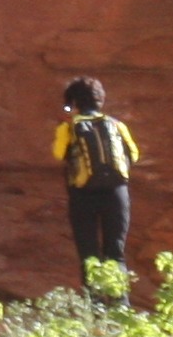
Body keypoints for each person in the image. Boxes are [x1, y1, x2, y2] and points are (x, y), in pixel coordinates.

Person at [50, 77, 140, 296]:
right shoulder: (117, 125)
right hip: (116, 193)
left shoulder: (69, 128)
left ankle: (96, 312)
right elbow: (134, 155)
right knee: (115, 254)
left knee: (89, 256)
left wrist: (66, 123)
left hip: (83, 196)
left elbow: (58, 153)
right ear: (100, 99)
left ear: (73, 102)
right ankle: (121, 309)